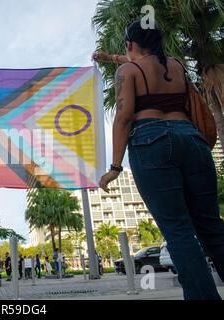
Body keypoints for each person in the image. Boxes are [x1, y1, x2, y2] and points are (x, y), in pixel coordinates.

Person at [94, 20, 224, 300]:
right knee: (212, 227)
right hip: (192, 139)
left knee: (178, 231)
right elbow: (141, 59)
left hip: (151, 140)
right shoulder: (175, 65)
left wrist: (115, 167)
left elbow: (124, 117)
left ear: (129, 44)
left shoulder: (128, 71)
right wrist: (109, 57)